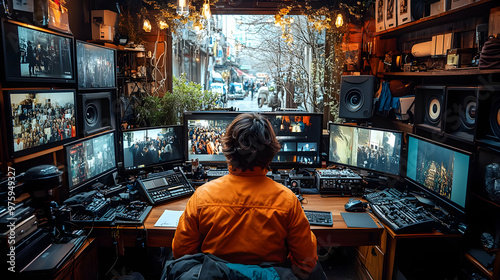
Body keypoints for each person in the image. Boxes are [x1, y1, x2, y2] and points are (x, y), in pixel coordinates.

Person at [172, 113, 321, 279]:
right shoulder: (288, 200)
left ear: (228, 150)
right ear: (271, 152)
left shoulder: (202, 196)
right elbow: (307, 261)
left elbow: (182, 253)